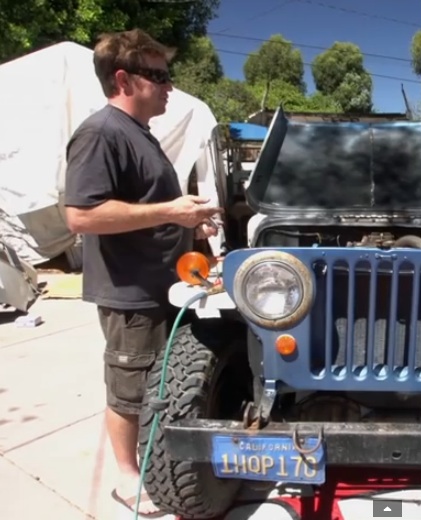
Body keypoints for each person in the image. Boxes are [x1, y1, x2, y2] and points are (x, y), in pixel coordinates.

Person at [64, 29, 221, 517]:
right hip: (129, 292)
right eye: (159, 76)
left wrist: (191, 221)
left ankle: (160, 464)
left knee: (156, 387)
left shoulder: (137, 134)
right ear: (123, 79)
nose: (169, 86)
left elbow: (150, 207)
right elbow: (81, 215)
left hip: (160, 288)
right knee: (129, 391)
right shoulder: (101, 132)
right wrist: (172, 211)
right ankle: (127, 479)